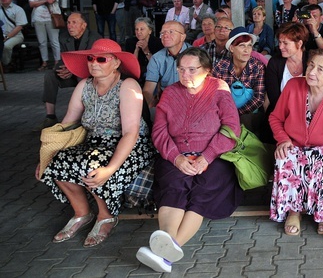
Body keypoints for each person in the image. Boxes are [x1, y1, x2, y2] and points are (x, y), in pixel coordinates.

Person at [38, 39, 154, 247]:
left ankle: (105, 216)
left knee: (91, 167)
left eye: (101, 59)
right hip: (94, 143)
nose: (94, 63)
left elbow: (130, 133)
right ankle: (82, 213)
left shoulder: (127, 85)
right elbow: (68, 124)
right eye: (91, 58)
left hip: (130, 145)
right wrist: (46, 155)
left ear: (116, 63)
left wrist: (110, 169)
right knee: (55, 163)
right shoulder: (84, 85)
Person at [136, 47, 241, 273]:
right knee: (174, 184)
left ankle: (163, 253)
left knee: (203, 189)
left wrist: (207, 156)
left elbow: (232, 129)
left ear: (207, 71)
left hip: (214, 156)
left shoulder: (218, 90)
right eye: (182, 70)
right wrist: (175, 158)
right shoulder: (170, 93)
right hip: (176, 155)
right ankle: (167, 251)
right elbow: (160, 132)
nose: (186, 75)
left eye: (192, 70)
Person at [269, 48, 323, 236]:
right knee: (286, 156)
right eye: (311, 65)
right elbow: (275, 118)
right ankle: (294, 210)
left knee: (322, 159)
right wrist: (283, 140)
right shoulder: (292, 86)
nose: (312, 72)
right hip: (294, 144)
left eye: (320, 69)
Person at [41, 12, 101, 127]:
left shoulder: (94, 37)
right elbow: (64, 58)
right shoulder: (64, 36)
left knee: (81, 77)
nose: (70, 26)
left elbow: (93, 62)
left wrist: (72, 69)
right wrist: (62, 69)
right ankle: (50, 116)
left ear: (84, 25)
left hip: (88, 74)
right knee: (50, 75)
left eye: (74, 23)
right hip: (70, 73)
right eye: (68, 22)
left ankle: (85, 115)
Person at [143, 21, 191, 107]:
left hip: (191, 101)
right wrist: (150, 108)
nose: (165, 35)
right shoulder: (156, 58)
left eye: (171, 32)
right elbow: (148, 90)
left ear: (182, 37)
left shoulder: (196, 55)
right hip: (166, 103)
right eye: (163, 32)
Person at [265, 22, 308, 115]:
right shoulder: (274, 62)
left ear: (299, 43)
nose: (280, 47)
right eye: (280, 42)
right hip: (281, 114)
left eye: (285, 43)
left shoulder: (312, 61)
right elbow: (274, 99)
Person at [28, 0, 61, 71]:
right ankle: (44, 62)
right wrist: (43, 1)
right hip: (38, 19)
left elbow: (51, 1)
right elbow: (31, 4)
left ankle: (57, 61)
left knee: (54, 41)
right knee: (42, 42)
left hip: (51, 18)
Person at [123, 17, 163, 87]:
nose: (138, 32)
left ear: (150, 31)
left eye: (142, 29)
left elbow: (158, 66)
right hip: (136, 73)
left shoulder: (158, 42)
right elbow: (130, 66)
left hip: (153, 74)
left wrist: (146, 50)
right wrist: (136, 51)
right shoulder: (130, 42)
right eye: (136, 29)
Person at [1, 0, 28, 69]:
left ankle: (5, 64)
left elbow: (19, 27)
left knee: (6, 46)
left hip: (15, 36)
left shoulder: (18, 10)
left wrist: (7, 37)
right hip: (1, 35)